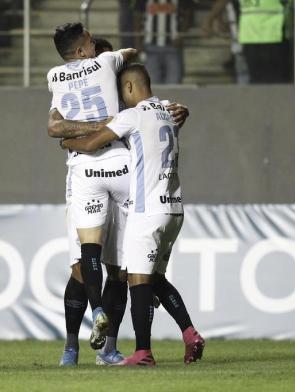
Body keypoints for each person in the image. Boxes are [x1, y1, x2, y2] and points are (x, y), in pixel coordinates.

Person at [47, 26, 190, 366]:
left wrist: (180, 110)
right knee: (81, 269)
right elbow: (55, 124)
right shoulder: (96, 74)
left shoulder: (114, 86)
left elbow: (152, 110)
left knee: (121, 271)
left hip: (120, 170)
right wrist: (102, 124)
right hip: (91, 169)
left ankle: (108, 348)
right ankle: (72, 345)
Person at [133, 0, 194, 84]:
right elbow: (137, 18)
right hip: (151, 48)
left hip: (173, 48)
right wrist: (138, 44)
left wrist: (181, 36)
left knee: (174, 85)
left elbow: (188, 14)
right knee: (152, 85)